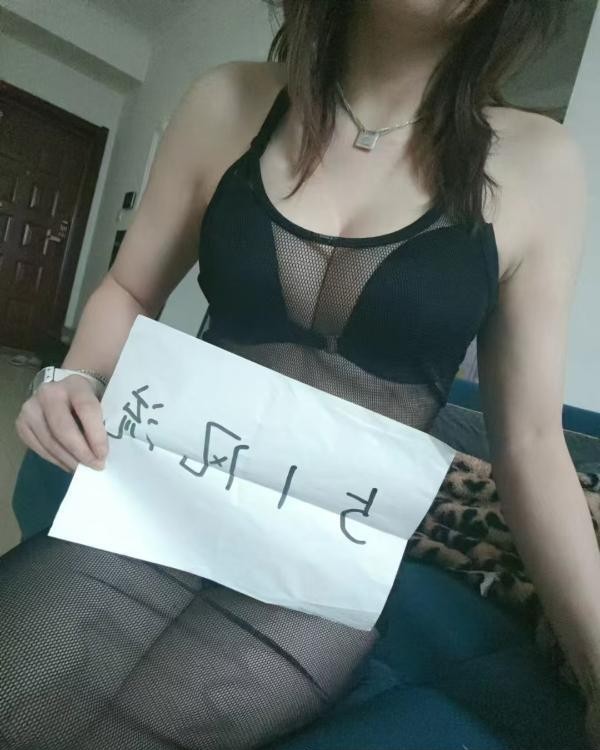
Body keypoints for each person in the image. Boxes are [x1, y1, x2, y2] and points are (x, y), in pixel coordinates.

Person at [2, 0, 598, 747]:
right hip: (160, 504)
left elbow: (532, 442)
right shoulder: (227, 100)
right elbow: (128, 288)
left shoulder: (539, 164)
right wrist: (73, 379)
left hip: (314, 571)